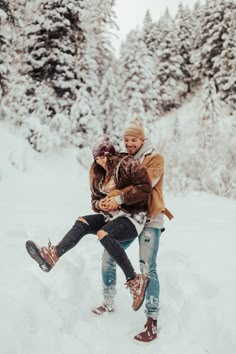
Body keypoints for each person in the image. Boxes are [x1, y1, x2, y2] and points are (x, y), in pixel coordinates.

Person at [25, 135, 152, 312]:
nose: (99, 161)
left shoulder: (127, 163)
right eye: (96, 158)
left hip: (133, 217)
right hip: (111, 217)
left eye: (102, 157)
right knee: (82, 221)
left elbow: (145, 187)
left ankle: (135, 280)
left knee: (103, 234)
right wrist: (101, 204)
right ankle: (54, 254)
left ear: (110, 155)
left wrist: (120, 199)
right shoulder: (97, 174)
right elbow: (94, 201)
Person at [92, 119, 173, 343]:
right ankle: (108, 302)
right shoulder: (122, 159)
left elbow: (146, 183)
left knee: (147, 268)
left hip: (150, 219)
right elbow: (107, 182)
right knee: (108, 256)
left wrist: (117, 195)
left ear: (142, 140)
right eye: (126, 139)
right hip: (128, 218)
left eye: (134, 140)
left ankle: (151, 320)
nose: (129, 143)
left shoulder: (155, 158)